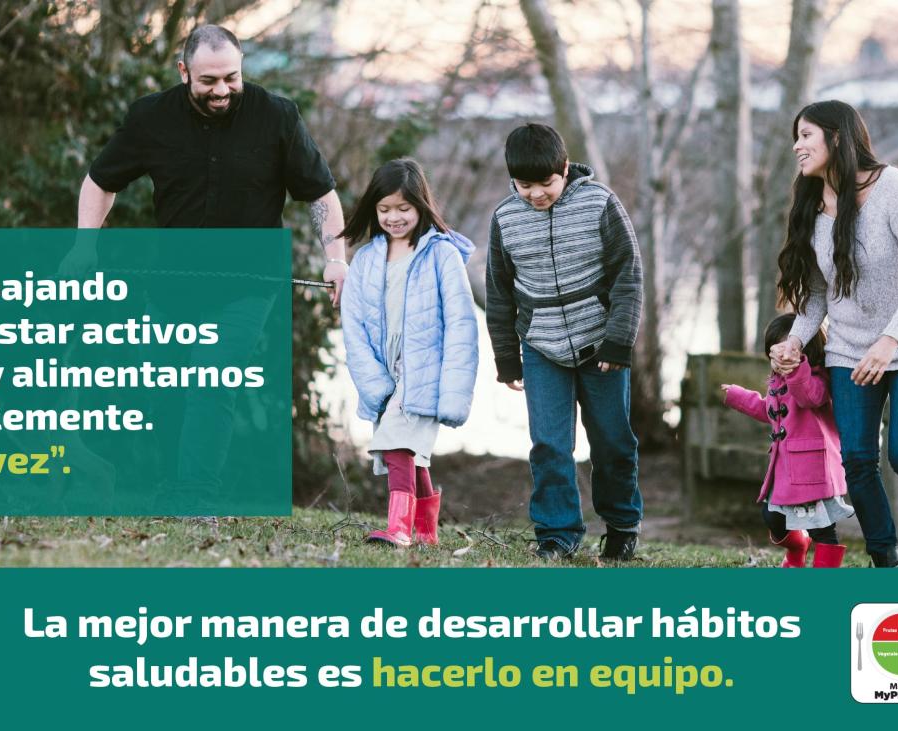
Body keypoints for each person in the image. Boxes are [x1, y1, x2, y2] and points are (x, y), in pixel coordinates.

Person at [773, 100, 898, 568]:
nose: (797, 146)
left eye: (806, 136)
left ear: (836, 138)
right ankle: (886, 559)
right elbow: (818, 295)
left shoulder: (892, 187)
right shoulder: (811, 204)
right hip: (850, 350)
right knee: (857, 460)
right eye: (796, 137)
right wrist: (795, 341)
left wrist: (889, 341)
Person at [63, 23, 349, 299]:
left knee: (216, 352)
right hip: (171, 287)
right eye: (209, 81)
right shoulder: (151, 118)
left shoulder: (277, 117)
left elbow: (320, 193)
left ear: (241, 65)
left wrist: (336, 260)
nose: (222, 91)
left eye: (231, 78)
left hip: (248, 291)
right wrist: (83, 247)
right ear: (183, 71)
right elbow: (101, 182)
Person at [485, 123, 644, 561]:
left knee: (612, 441)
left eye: (546, 183)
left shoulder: (600, 203)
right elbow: (499, 291)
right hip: (541, 347)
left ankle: (622, 525)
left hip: (600, 345)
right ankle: (557, 533)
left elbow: (628, 276)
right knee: (549, 444)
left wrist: (618, 341)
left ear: (566, 169)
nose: (536, 194)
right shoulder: (505, 218)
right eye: (525, 185)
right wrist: (506, 357)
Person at [340, 159, 478, 547]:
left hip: (425, 369)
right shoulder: (366, 260)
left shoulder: (442, 255)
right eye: (385, 209)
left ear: (421, 205)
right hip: (386, 369)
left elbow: (461, 323)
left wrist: (454, 390)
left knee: (396, 442)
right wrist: (373, 381)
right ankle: (425, 532)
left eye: (403, 208)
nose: (394, 217)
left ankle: (398, 527)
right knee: (411, 451)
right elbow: (353, 327)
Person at [722, 314, 852, 568]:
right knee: (773, 517)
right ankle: (797, 547)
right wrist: (739, 397)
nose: (782, 357)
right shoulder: (778, 380)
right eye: (776, 351)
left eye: (789, 350)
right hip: (785, 470)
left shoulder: (819, 379)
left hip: (814, 469)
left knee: (822, 528)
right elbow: (771, 412)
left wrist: (796, 369)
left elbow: (807, 398)